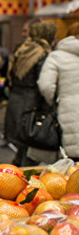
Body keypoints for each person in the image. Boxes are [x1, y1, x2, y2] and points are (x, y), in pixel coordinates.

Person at [5, 22, 57, 166]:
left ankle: (11, 176)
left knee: (23, 146)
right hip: (32, 106)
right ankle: (19, 182)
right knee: (31, 147)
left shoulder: (21, 50)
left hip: (16, 103)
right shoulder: (42, 54)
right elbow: (43, 83)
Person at [33, 22, 79, 162]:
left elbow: (45, 85)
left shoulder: (57, 56)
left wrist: (54, 101)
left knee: (74, 162)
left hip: (69, 109)